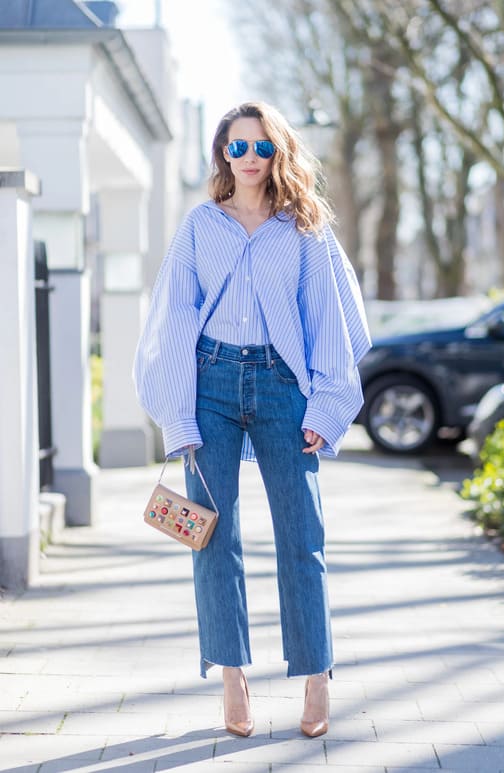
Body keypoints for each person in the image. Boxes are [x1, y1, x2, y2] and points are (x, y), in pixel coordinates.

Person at [133, 101, 371, 738]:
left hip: (280, 387)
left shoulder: (305, 228)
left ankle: (316, 675)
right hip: (209, 382)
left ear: (278, 154)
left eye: (262, 148)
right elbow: (172, 321)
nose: (249, 159)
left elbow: (327, 321)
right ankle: (233, 677)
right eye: (238, 148)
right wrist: (178, 416)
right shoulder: (198, 226)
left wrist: (325, 406)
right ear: (222, 155)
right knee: (212, 538)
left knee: (303, 538)